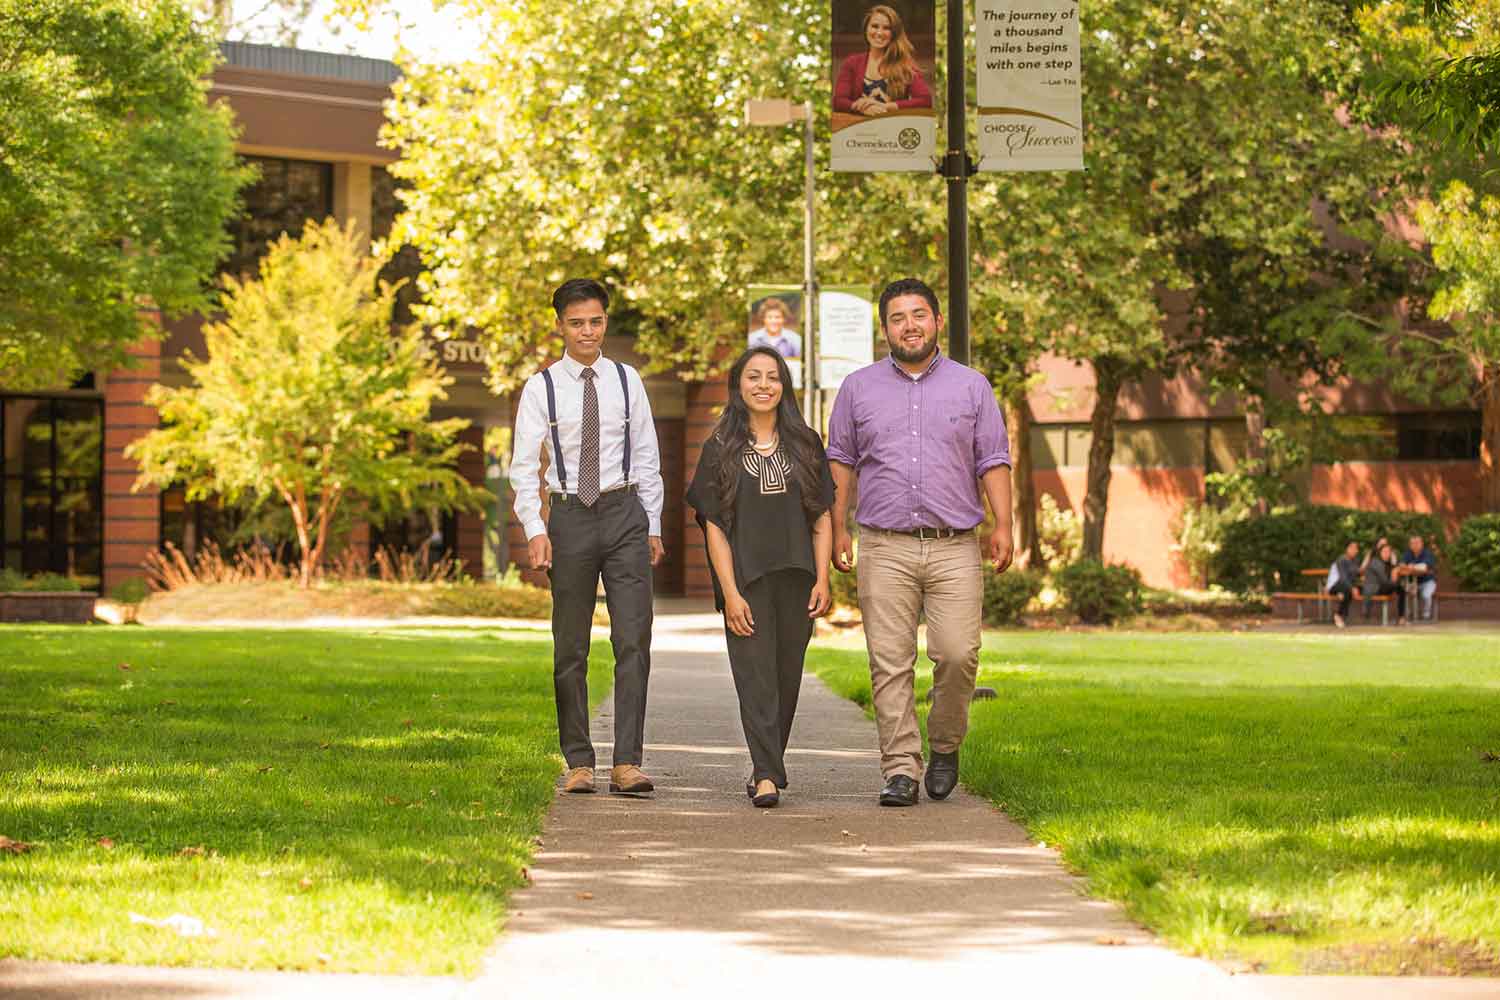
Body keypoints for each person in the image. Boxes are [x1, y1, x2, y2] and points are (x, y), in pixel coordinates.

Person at [826, 277, 1013, 808]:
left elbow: (993, 459)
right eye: (897, 318)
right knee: (889, 661)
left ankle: (946, 745)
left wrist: (1004, 524)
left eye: (918, 315)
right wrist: (838, 527)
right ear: (884, 328)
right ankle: (901, 767)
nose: (909, 326)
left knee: (957, 654)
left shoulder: (972, 386)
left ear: (936, 321)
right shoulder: (858, 388)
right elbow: (840, 461)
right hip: (884, 545)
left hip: (956, 545)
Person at [509, 279, 666, 796]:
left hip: (624, 514)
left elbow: (647, 455)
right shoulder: (541, 387)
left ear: (605, 322)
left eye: (595, 321)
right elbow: (522, 465)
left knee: (633, 640)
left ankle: (628, 761)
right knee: (570, 647)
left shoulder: (627, 380)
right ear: (560, 326)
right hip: (571, 516)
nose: (587, 331)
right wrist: (535, 528)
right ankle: (578, 760)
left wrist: (654, 524)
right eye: (577, 323)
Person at [685, 347, 834, 808]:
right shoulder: (719, 448)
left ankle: (767, 764)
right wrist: (729, 592)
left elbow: (822, 518)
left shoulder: (806, 443)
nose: (763, 384)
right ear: (739, 385)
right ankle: (766, 774)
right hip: (746, 580)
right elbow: (714, 527)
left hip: (797, 578)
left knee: (786, 678)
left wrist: (823, 579)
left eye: (773, 376)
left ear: (784, 385)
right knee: (754, 677)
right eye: (754, 376)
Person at [832, 4, 933, 117]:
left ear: (893, 33)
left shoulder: (905, 65)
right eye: (874, 26)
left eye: (886, 28)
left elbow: (925, 100)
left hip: (892, 130)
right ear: (866, 29)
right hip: (859, 131)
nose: (879, 33)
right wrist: (862, 107)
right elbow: (838, 101)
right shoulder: (851, 63)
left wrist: (886, 106)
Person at [1360, 538, 1404, 623]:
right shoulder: (1376, 562)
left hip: (1381, 587)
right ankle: (1400, 617)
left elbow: (1391, 574)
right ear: (1380, 552)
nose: (1387, 554)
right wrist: (1394, 580)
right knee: (1399, 588)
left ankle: (1401, 617)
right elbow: (1384, 581)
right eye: (1385, 552)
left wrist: (1394, 567)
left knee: (1400, 589)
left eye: (1389, 552)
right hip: (1374, 589)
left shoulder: (1387, 563)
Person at [1397, 534, 1438, 621]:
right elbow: (1401, 565)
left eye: (1417, 543)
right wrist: (1411, 567)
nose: (1415, 545)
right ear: (1410, 545)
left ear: (1421, 544)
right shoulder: (1408, 553)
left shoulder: (1427, 553)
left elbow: (1424, 568)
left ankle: (1426, 616)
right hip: (1412, 582)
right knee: (1405, 593)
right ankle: (1408, 615)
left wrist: (1411, 567)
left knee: (1426, 595)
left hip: (1427, 581)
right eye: (1412, 543)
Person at [1328, 540, 1361, 628]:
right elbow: (1343, 578)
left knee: (1348, 590)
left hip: (1345, 586)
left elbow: (1355, 576)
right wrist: (1353, 588)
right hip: (1334, 585)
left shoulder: (1355, 561)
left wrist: (1355, 587)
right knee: (1348, 590)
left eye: (1356, 548)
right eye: (1352, 548)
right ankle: (1338, 615)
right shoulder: (1341, 560)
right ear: (1347, 549)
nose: (1354, 550)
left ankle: (1341, 614)